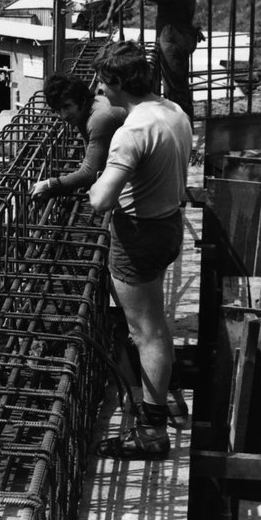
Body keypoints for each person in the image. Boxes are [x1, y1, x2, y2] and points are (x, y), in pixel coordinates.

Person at [88, 40, 193, 459]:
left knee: (146, 333)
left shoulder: (131, 132)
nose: (99, 88)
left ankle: (151, 431)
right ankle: (166, 398)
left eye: (103, 81)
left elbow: (101, 200)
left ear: (117, 83)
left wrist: (95, 180)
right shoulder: (174, 112)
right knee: (156, 324)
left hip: (138, 236)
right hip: (169, 225)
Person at [113, 0, 201, 124]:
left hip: (174, 43)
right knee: (176, 85)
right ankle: (181, 124)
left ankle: (182, 127)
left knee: (175, 89)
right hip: (177, 39)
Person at [30, 72, 127, 204]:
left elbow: (90, 173)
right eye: (57, 110)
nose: (63, 115)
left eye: (67, 106)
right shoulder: (89, 108)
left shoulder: (99, 119)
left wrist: (49, 184)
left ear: (82, 99)